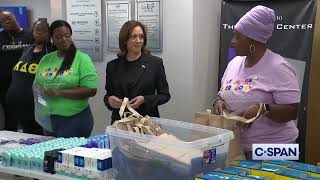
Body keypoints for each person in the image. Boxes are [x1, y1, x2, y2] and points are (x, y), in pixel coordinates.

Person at [212, 5, 300, 160]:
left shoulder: (279, 67)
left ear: (253, 40)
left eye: (238, 37)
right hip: (236, 147)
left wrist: (263, 108)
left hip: (272, 150)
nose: (232, 42)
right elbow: (223, 93)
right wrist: (218, 101)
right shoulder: (234, 63)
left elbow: (292, 111)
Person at [34, 20, 97, 138]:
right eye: (58, 37)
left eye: (66, 36)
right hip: (48, 120)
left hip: (74, 120)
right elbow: (36, 84)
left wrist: (60, 92)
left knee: (68, 155)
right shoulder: (46, 59)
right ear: (52, 38)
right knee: (51, 155)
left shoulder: (82, 59)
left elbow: (91, 90)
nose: (63, 39)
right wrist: (39, 89)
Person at [104, 20, 170, 124]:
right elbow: (108, 95)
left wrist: (145, 99)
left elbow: (165, 95)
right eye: (133, 37)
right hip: (120, 123)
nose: (138, 40)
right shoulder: (112, 66)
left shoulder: (155, 64)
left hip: (147, 124)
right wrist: (109, 100)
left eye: (141, 37)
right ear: (125, 40)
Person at [4, 20, 52, 135]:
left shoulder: (52, 53)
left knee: (39, 141)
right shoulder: (27, 49)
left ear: (49, 33)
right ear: (32, 33)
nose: (40, 33)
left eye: (44, 30)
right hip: (18, 108)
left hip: (37, 110)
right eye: (37, 30)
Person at [0, 10, 33, 131]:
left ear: (15, 17)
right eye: (3, 20)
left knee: (29, 118)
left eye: (9, 18)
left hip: (27, 82)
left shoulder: (30, 34)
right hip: (5, 84)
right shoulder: (1, 37)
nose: (7, 21)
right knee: (10, 117)